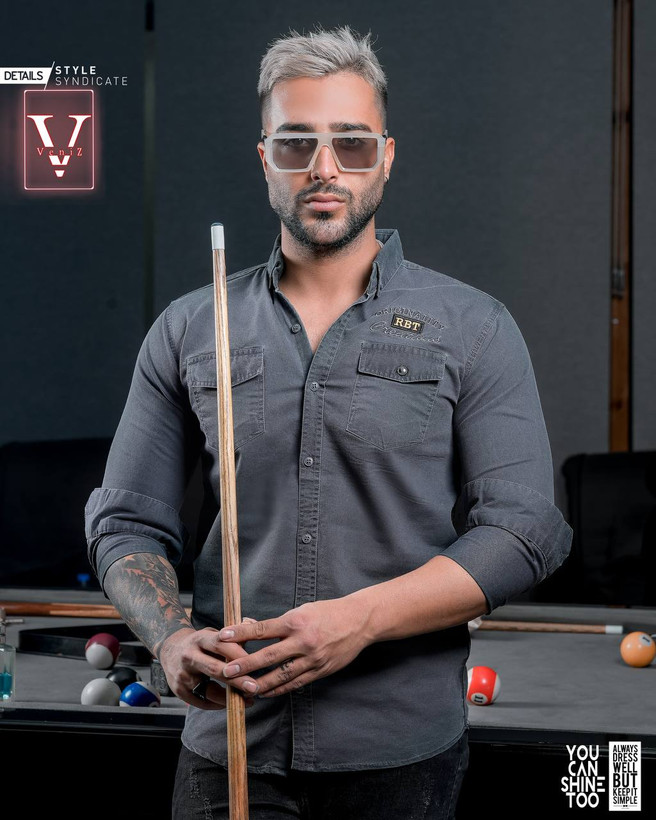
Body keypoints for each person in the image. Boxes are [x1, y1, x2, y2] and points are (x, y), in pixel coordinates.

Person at [85, 24, 573, 819]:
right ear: (264, 158)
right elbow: (127, 523)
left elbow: (522, 533)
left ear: (385, 156)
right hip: (229, 746)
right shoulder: (189, 327)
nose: (324, 167)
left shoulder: (474, 326)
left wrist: (358, 621)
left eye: (351, 143)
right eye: (296, 143)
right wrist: (170, 638)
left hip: (401, 755)